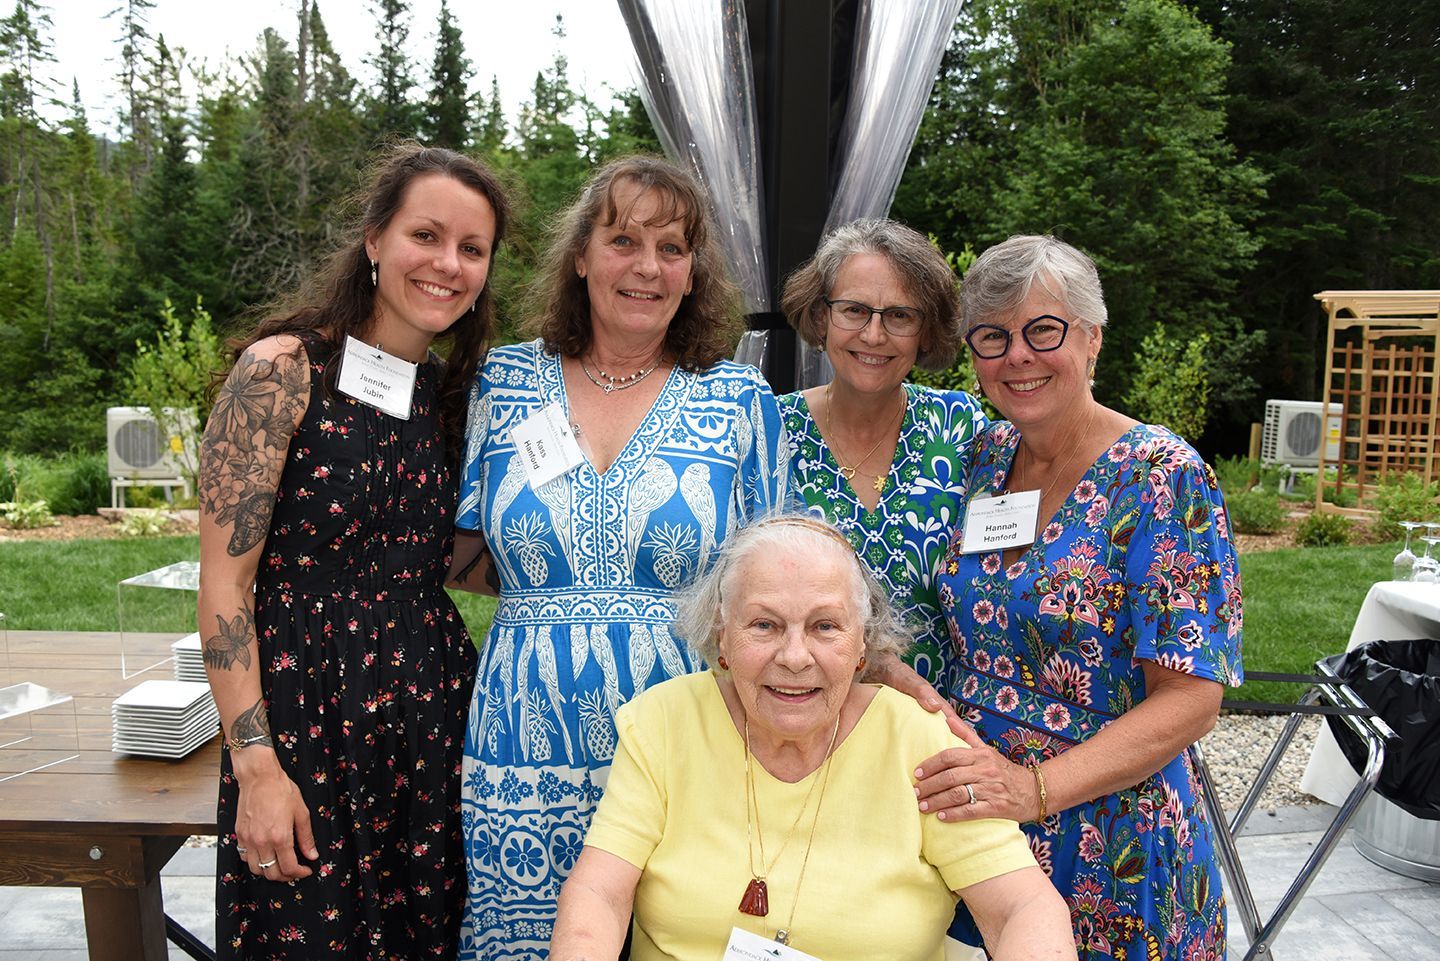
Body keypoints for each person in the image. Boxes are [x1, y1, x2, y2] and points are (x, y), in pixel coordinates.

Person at [450, 155, 788, 958]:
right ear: (580, 255)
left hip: (688, 737)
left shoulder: (737, 399)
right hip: (520, 739)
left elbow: (773, 580)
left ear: (693, 272)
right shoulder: (502, 382)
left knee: (679, 937)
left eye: (673, 249)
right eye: (624, 240)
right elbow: (459, 547)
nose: (647, 267)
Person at [197, 144, 510, 960]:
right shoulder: (282, 371)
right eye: (426, 235)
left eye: (471, 249)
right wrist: (257, 766)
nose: (448, 264)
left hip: (430, 720)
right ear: (374, 239)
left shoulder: (448, 398)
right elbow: (225, 583)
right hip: (305, 720)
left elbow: (437, 559)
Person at [548, 516, 1077, 961]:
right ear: (723, 634)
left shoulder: (917, 739)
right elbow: (599, 893)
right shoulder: (665, 722)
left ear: (862, 646)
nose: (795, 657)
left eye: (825, 626)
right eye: (765, 625)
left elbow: (1023, 907)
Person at [923, 235, 1244, 960]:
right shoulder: (985, 460)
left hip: (1112, 840)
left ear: (1092, 338)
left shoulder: (1163, 476)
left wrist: (1034, 789)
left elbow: (1192, 698)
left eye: (1044, 330)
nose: (1017, 356)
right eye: (992, 337)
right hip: (984, 838)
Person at [779, 217, 985, 705]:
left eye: (899, 315)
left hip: (937, 728)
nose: (874, 335)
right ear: (821, 315)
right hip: (804, 717)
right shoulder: (770, 430)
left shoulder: (958, 426)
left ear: (925, 330)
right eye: (854, 310)